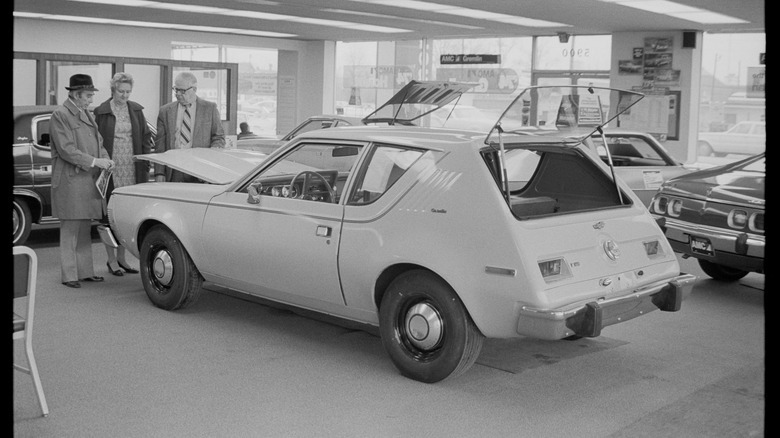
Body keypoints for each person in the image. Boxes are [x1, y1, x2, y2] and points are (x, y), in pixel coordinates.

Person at [49, 74, 114, 288]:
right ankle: (69, 275)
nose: (91, 100)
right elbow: (66, 149)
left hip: (86, 178)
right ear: (76, 95)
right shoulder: (61, 115)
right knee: (70, 228)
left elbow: (99, 141)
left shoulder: (86, 113)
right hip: (71, 179)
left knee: (85, 227)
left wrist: (105, 158)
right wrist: (95, 161)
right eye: (88, 95)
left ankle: (85, 272)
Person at [94, 72, 154, 276]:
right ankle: (111, 260)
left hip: (132, 168)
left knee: (126, 214)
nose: (125, 95)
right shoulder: (101, 112)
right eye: (121, 91)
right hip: (110, 168)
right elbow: (96, 141)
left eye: (128, 92)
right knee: (109, 215)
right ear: (113, 90)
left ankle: (122, 258)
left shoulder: (136, 110)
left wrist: (145, 162)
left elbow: (146, 137)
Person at [154, 71, 225, 182]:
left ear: (194, 89)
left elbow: (218, 137)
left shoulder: (209, 109)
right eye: (176, 89)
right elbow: (160, 145)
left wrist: (211, 160)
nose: (177, 94)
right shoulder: (166, 111)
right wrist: (159, 172)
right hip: (174, 169)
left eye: (182, 91)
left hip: (201, 171)